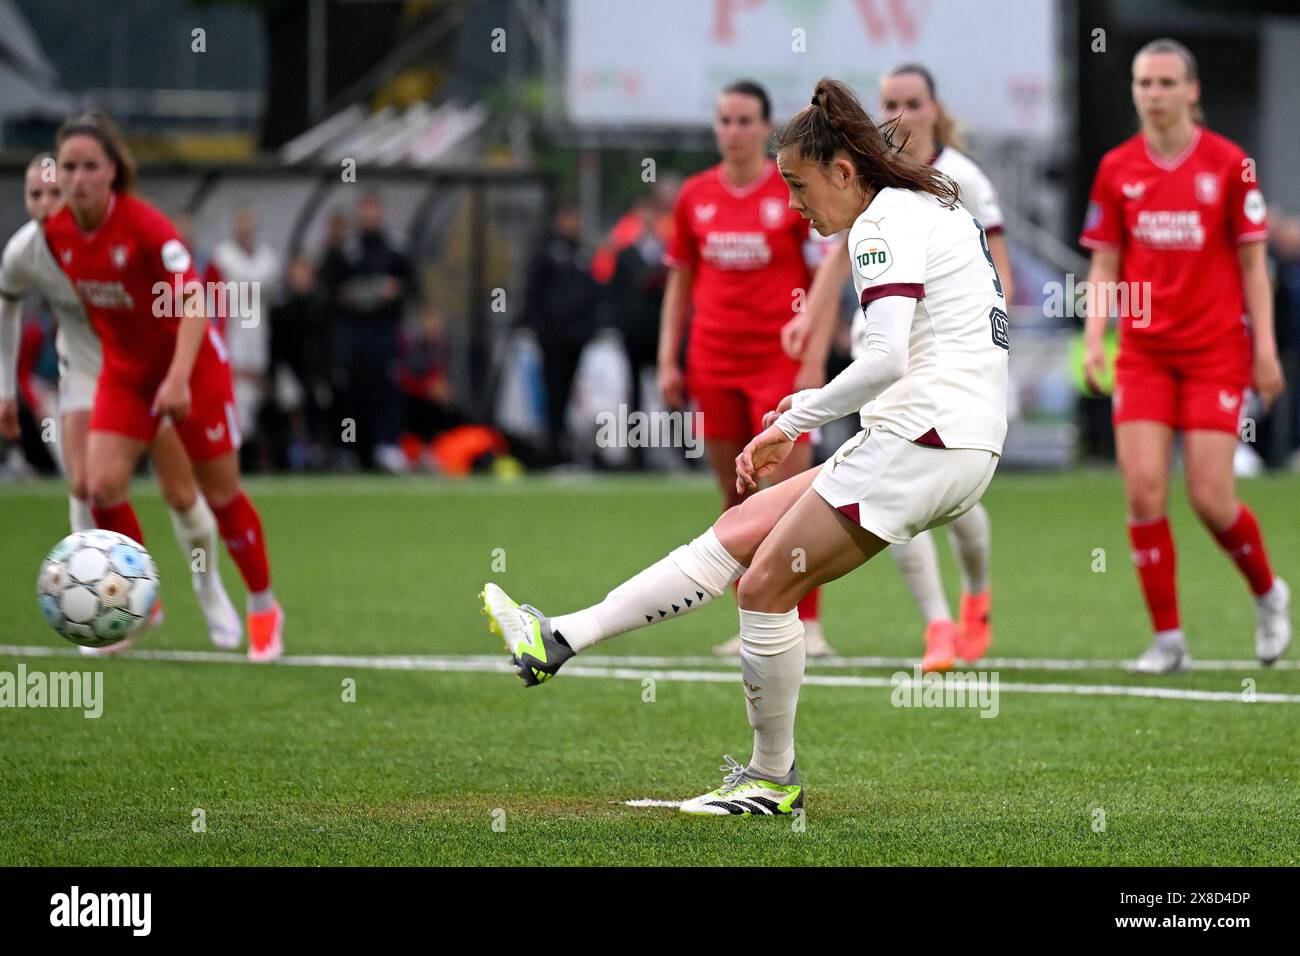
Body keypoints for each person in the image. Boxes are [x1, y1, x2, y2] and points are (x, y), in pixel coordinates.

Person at [481, 77, 1007, 815]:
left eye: (798, 184)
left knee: (763, 587)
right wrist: (813, 404)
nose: (793, 202)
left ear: (843, 172)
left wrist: (792, 421)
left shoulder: (881, 223)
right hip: (953, 437)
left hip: (926, 438)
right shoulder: (922, 203)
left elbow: (886, 358)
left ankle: (770, 779)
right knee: (736, 534)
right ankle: (558, 638)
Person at [785, 64, 1011, 671]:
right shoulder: (861, 181)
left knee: (957, 508)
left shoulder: (959, 179)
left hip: (944, 355)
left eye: (913, 102)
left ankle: (976, 598)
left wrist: (990, 334)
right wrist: (812, 317)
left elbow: (994, 262)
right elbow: (842, 250)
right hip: (886, 346)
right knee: (888, 500)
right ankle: (937, 624)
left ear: (936, 109)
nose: (901, 114)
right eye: (890, 102)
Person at [1080, 39, 1290, 674]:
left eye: (1167, 83)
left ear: (1192, 91)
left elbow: (1256, 264)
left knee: (1209, 497)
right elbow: (1105, 261)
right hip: (1144, 353)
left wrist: (1267, 350)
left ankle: (1268, 594)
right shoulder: (1117, 167)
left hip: (1215, 351)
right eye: (1144, 83)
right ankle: (1168, 641)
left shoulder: (1230, 165)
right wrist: (1096, 336)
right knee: (1143, 490)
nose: (1153, 94)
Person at [43, 113, 283, 661]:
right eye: (69, 166)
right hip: (127, 374)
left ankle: (264, 607)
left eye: (91, 166)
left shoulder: (147, 228)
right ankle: (135, 600)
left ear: (113, 172)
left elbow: (194, 303)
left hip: (192, 368)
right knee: (100, 488)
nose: (78, 178)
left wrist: (176, 379)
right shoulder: (56, 233)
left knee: (219, 496)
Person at [0, 151, 241, 653]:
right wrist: (6, 390)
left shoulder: (108, 234)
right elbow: (9, 310)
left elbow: (176, 294)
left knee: (180, 493)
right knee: (89, 484)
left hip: (144, 366)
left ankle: (208, 586)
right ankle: (124, 604)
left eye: (55, 190)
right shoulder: (26, 251)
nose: (48, 202)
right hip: (87, 372)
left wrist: (175, 370)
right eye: (35, 194)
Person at [658, 80, 837, 657]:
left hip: (777, 364)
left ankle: (806, 622)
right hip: (711, 357)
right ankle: (752, 620)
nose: (733, 131)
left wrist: (812, 355)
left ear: (765, 128)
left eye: (744, 121)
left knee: (790, 496)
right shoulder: (694, 196)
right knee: (735, 494)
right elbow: (681, 279)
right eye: (725, 120)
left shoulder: (788, 194)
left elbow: (822, 280)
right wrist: (669, 355)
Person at [330, 192, 414, 474]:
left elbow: (412, 286)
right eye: (364, 210)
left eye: (373, 210)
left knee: (387, 385)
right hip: (353, 331)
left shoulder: (396, 247)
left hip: (384, 330)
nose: (368, 216)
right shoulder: (345, 248)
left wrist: (394, 291)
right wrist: (346, 296)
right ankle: (348, 447)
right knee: (349, 389)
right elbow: (328, 288)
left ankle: (387, 445)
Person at [520, 202, 601, 467]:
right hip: (553, 337)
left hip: (574, 338)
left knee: (567, 393)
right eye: (569, 217)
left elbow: (592, 292)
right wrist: (541, 328)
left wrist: (587, 328)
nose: (574, 224)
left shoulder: (581, 252)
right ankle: (550, 448)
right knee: (552, 392)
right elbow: (534, 293)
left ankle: (561, 447)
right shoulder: (546, 251)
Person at [211, 205, 280, 461]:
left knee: (255, 404)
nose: (245, 231)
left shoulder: (267, 258)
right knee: (233, 404)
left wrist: (243, 285)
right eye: (242, 225)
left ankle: (249, 457)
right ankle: (231, 456)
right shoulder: (223, 255)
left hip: (257, 343)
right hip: (231, 340)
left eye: (250, 226)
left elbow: (260, 279)